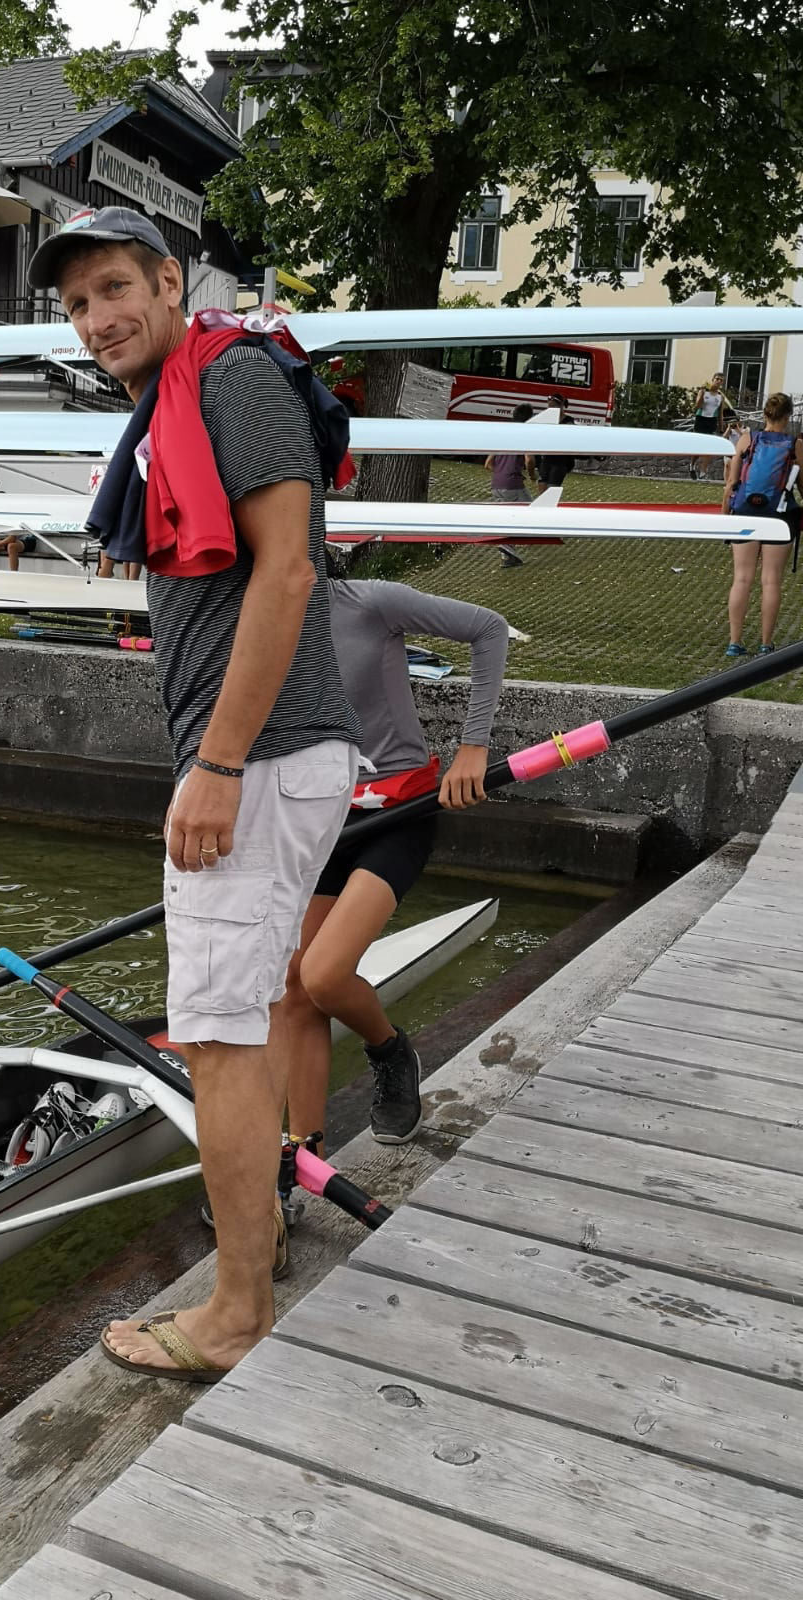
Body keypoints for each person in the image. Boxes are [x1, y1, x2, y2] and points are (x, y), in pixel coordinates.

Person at [28, 205, 359, 1382]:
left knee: (216, 1040)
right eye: (75, 304)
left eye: (115, 287)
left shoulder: (230, 382)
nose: (98, 318)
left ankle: (233, 1313)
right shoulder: (181, 396)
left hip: (258, 761)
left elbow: (289, 569)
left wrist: (214, 765)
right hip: (261, 757)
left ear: (170, 281)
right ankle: (250, 1273)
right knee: (247, 1021)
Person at [280, 576, 507, 1164]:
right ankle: (300, 1164)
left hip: (398, 810)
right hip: (318, 820)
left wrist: (473, 745)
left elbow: (488, 628)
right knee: (294, 994)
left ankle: (388, 1050)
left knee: (324, 976)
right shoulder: (247, 620)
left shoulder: (366, 602)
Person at [722, 391, 803, 657]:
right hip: (779, 515)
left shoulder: (747, 439)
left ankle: (735, 642)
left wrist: (725, 518)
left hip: (745, 512)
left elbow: (731, 485)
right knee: (771, 581)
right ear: (788, 416)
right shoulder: (795, 445)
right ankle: (766, 644)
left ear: (766, 414)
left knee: (742, 578)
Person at [484, 402, 537, 568]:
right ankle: (510, 543)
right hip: (512, 484)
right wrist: (532, 475)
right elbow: (529, 459)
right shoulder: (526, 435)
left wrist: (501, 471)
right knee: (532, 511)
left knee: (506, 516)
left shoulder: (504, 435)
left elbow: (488, 463)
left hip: (497, 484)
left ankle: (507, 555)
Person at [691, 373, 734, 479]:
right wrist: (701, 395)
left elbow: (720, 413)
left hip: (712, 421)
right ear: (712, 380)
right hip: (701, 419)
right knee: (698, 447)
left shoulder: (720, 396)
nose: (718, 381)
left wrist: (721, 426)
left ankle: (703, 472)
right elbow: (697, 406)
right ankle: (692, 465)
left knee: (709, 447)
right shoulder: (704, 391)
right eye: (717, 379)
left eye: (721, 380)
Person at [535, 393, 575, 495]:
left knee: (551, 489)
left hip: (560, 461)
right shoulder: (546, 419)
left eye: (553, 406)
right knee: (541, 487)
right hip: (547, 458)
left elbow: (568, 440)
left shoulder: (568, 421)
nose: (550, 409)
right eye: (549, 406)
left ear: (561, 406)